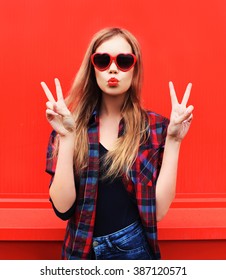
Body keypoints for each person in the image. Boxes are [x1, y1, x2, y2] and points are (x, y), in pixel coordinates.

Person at [41, 27, 194, 260]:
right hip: (80, 253)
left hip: (133, 252)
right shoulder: (69, 125)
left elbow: (158, 212)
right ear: (92, 68)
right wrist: (67, 136)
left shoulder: (155, 128)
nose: (113, 68)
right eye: (102, 60)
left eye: (123, 61)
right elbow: (62, 208)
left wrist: (173, 141)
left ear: (135, 68)